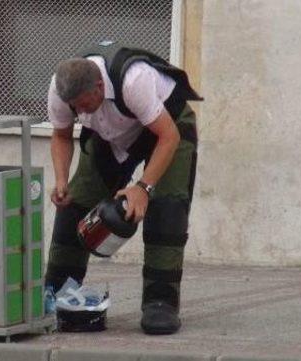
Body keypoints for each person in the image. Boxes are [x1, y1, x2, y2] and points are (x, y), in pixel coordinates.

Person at [44, 41, 202, 335]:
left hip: (168, 129)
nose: (77, 110)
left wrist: (143, 187)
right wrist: (62, 179)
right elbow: (62, 136)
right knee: (75, 204)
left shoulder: (134, 80)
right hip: (112, 133)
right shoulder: (60, 89)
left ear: (99, 85)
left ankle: (160, 302)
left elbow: (167, 136)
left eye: (82, 103)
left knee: (166, 209)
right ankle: (57, 292)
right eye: (73, 106)